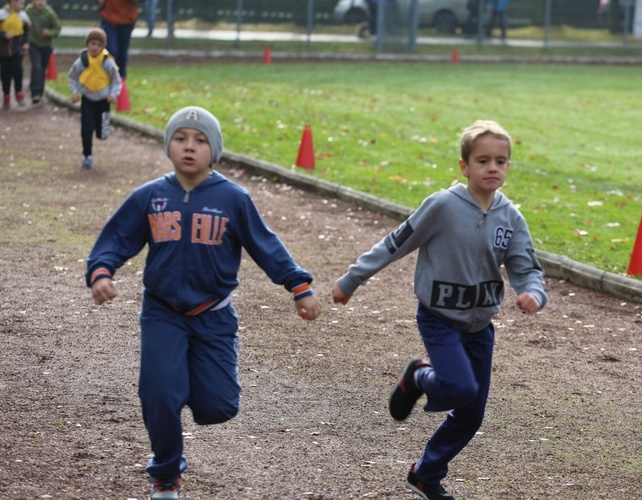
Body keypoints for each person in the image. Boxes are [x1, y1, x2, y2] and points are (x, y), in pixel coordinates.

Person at [86, 105, 322, 500]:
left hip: (213, 316)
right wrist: (101, 272)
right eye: (180, 139)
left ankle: (193, 382)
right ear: (168, 146)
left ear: (215, 150)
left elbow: (266, 245)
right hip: (162, 312)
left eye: (200, 141)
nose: (189, 147)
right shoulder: (151, 197)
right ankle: (165, 474)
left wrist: (298, 286)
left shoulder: (233, 198)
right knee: (160, 393)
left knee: (218, 407)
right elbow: (116, 239)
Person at [332, 120, 548, 499]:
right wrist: (352, 280)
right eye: (483, 160)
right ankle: (417, 376)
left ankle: (425, 474)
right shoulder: (442, 206)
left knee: (471, 413)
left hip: (480, 325)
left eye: (501, 161)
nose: (493, 167)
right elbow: (394, 244)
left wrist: (534, 292)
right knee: (460, 387)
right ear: (464, 166)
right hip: (439, 317)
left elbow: (526, 267)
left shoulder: (510, 218)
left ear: (509, 167)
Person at [67, 27, 121, 169]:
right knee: (86, 128)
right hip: (87, 100)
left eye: (98, 45)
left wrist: (113, 94)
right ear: (87, 45)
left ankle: (101, 131)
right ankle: (87, 155)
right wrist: (74, 92)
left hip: (104, 101)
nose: (95, 47)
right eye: (92, 44)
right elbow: (72, 77)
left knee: (102, 133)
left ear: (103, 46)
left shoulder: (107, 62)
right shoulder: (82, 61)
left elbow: (116, 80)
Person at [24, 0, 61, 104]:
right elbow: (23, 26)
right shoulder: (28, 12)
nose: (40, 2)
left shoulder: (49, 13)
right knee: (37, 66)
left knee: (42, 68)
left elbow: (57, 29)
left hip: (46, 46)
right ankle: (34, 92)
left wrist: (49, 33)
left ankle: (40, 90)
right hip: (33, 44)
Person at [0, 0, 31, 110]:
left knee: (18, 69)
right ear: (12, 2)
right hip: (3, 50)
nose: (23, 6)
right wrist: (3, 35)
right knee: (5, 73)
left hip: (18, 48)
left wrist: (26, 43)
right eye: (20, 3)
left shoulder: (23, 16)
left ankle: (19, 92)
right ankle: (6, 95)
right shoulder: (2, 14)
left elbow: (27, 31)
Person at [97, 0, 137, 79]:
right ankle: (106, 78)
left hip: (127, 19)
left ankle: (121, 81)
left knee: (122, 54)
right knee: (111, 50)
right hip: (108, 18)